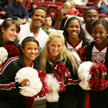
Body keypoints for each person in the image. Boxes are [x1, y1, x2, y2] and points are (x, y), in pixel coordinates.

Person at [35, 30, 86, 108]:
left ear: (63, 45)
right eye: (53, 45)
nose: (55, 49)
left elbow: (78, 80)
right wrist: (47, 83)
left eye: (59, 46)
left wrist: (64, 81)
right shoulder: (40, 58)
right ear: (47, 44)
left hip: (70, 91)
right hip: (52, 92)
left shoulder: (69, 58)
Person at [0, 36, 39, 108]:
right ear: (22, 49)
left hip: (21, 101)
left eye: (35, 49)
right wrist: (18, 85)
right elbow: (0, 84)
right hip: (4, 101)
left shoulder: (37, 64)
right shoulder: (13, 63)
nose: (33, 52)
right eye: (29, 48)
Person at [85, 18, 108, 108]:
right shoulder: (88, 49)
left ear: (107, 32)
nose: (97, 35)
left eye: (101, 32)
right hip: (93, 90)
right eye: (94, 32)